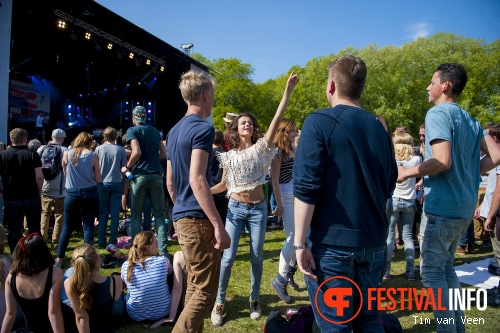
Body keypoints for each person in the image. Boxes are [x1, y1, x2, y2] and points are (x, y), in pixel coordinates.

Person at [293, 56, 397, 332]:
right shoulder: (379, 128)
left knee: (336, 325)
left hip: (333, 246)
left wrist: (300, 244)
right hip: (373, 242)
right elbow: (389, 184)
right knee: (369, 320)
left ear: (330, 86)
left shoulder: (318, 122)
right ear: (360, 88)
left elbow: (306, 187)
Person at [398, 63, 500, 333]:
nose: (427, 87)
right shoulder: (472, 120)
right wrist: (469, 171)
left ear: (445, 85)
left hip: (443, 209)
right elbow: (497, 155)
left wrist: (407, 171)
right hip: (464, 209)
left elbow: (442, 160)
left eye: (432, 82)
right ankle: (456, 328)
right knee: (446, 270)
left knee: (432, 275)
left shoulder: (438, 113)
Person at [210, 71, 299, 325]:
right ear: (236, 129)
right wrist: (203, 190)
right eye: (242, 123)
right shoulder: (228, 156)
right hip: (235, 209)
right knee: (227, 258)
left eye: (250, 122)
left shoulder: (262, 148)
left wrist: (287, 93)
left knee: (257, 256)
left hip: (258, 209)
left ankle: (255, 299)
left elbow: (277, 119)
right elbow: (224, 184)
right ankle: (219, 302)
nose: (246, 124)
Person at [166, 70, 231, 333]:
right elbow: (197, 178)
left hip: (182, 216)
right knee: (205, 294)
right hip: (198, 219)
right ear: (205, 95)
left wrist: (179, 209)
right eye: (212, 95)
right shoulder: (203, 128)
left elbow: (170, 181)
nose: (213, 100)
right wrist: (217, 224)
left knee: (194, 287)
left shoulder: (173, 131)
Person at [124, 106, 168, 255]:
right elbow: (164, 153)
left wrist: (128, 166)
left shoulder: (132, 130)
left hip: (140, 176)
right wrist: (153, 159)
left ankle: (135, 250)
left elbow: (136, 152)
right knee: (160, 215)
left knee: (136, 214)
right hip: (156, 175)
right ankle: (162, 250)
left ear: (133, 117)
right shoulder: (155, 131)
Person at [1, 233, 64, 333]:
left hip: (29, 328)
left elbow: (10, 314)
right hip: (55, 327)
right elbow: (53, 313)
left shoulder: (11, 277)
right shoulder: (55, 273)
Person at [55, 132, 101, 267]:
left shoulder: (67, 154)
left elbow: (65, 172)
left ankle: (59, 259)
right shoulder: (93, 155)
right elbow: (98, 178)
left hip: (72, 192)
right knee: (88, 225)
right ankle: (88, 259)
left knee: (67, 226)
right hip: (89, 192)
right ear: (88, 142)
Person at [383, 132, 422, 281]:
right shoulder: (416, 159)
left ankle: (386, 272)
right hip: (409, 201)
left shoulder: (391, 158)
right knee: (407, 237)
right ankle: (410, 271)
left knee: (389, 237)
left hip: (393, 200)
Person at [63, 244, 125, 332]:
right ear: (97, 258)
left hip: (89, 324)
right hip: (109, 323)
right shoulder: (115, 281)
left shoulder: (69, 283)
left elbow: (81, 316)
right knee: (124, 296)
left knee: (69, 272)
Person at [0, 128, 43, 253]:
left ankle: (16, 254)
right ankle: (34, 253)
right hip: (31, 196)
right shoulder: (32, 155)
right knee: (34, 228)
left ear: (11, 140)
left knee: (14, 229)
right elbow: (39, 177)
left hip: (11, 197)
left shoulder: (3, 155)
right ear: (25, 139)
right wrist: (40, 192)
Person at [270, 118, 299, 303]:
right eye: (292, 131)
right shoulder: (277, 153)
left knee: (299, 239)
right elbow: (274, 181)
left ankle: (287, 274)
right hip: (286, 197)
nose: (295, 133)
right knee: (292, 238)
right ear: (284, 132)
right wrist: (279, 204)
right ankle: (280, 279)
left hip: (296, 196)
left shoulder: (292, 149)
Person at [121, 230, 173, 322]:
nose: (157, 245)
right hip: (163, 312)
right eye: (156, 243)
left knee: (128, 294)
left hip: (136, 315)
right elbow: (170, 273)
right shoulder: (163, 261)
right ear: (148, 247)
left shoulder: (126, 266)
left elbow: (124, 282)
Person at [95, 127, 127, 248]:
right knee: (114, 214)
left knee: (103, 214)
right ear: (116, 136)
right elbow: (123, 168)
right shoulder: (120, 150)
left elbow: (95, 167)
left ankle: (101, 241)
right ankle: (112, 240)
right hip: (116, 182)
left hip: (102, 183)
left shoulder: (98, 149)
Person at [38, 129, 67, 252]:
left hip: (45, 187)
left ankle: (42, 241)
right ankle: (56, 244)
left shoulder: (41, 149)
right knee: (59, 216)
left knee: (45, 214)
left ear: (51, 136)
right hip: (60, 189)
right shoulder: (65, 150)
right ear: (62, 138)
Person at [210, 129, 228, 226]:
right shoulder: (226, 155)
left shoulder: (206, 155)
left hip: (210, 189)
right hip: (222, 190)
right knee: (223, 221)